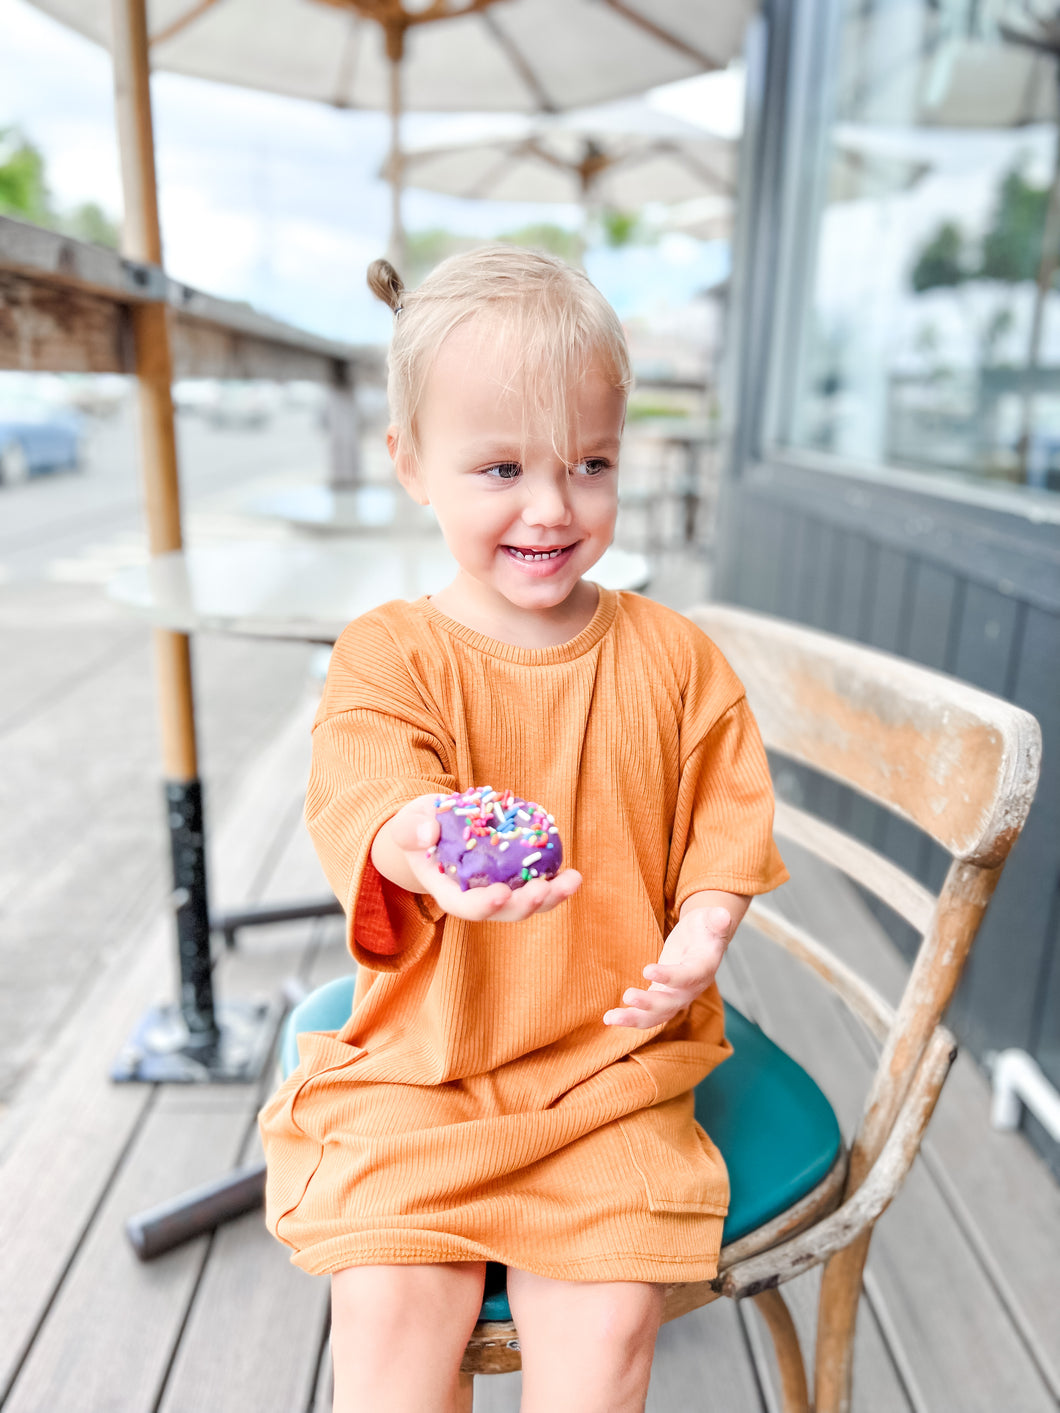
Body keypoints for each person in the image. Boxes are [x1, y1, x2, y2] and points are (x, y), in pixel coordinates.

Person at [258, 246, 788, 1413]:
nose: (552, 507)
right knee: (391, 1323)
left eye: (589, 464)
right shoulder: (391, 655)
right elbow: (366, 787)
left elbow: (724, 818)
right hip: (427, 1064)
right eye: (500, 466)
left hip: (609, 1067)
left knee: (602, 1341)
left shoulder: (673, 659)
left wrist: (702, 931)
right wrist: (423, 837)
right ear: (410, 465)